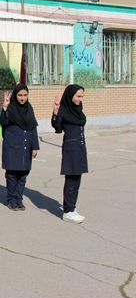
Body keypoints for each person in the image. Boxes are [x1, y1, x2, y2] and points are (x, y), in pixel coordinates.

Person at [52, 84, 88, 224]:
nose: (80, 99)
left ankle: (72, 207)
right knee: (71, 180)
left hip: (80, 147)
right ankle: (67, 211)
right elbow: (58, 128)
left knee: (77, 179)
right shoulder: (64, 110)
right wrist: (55, 113)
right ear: (70, 96)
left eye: (82, 96)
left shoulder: (78, 109)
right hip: (71, 148)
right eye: (78, 96)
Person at [0, 84, 39, 211]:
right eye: (20, 95)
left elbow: (33, 128)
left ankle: (19, 198)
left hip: (25, 146)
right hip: (12, 146)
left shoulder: (29, 108)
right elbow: (3, 123)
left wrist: (35, 147)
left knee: (23, 174)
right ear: (15, 95)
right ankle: (11, 199)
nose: (22, 98)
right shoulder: (10, 108)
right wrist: (4, 108)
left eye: (25, 95)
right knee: (12, 174)